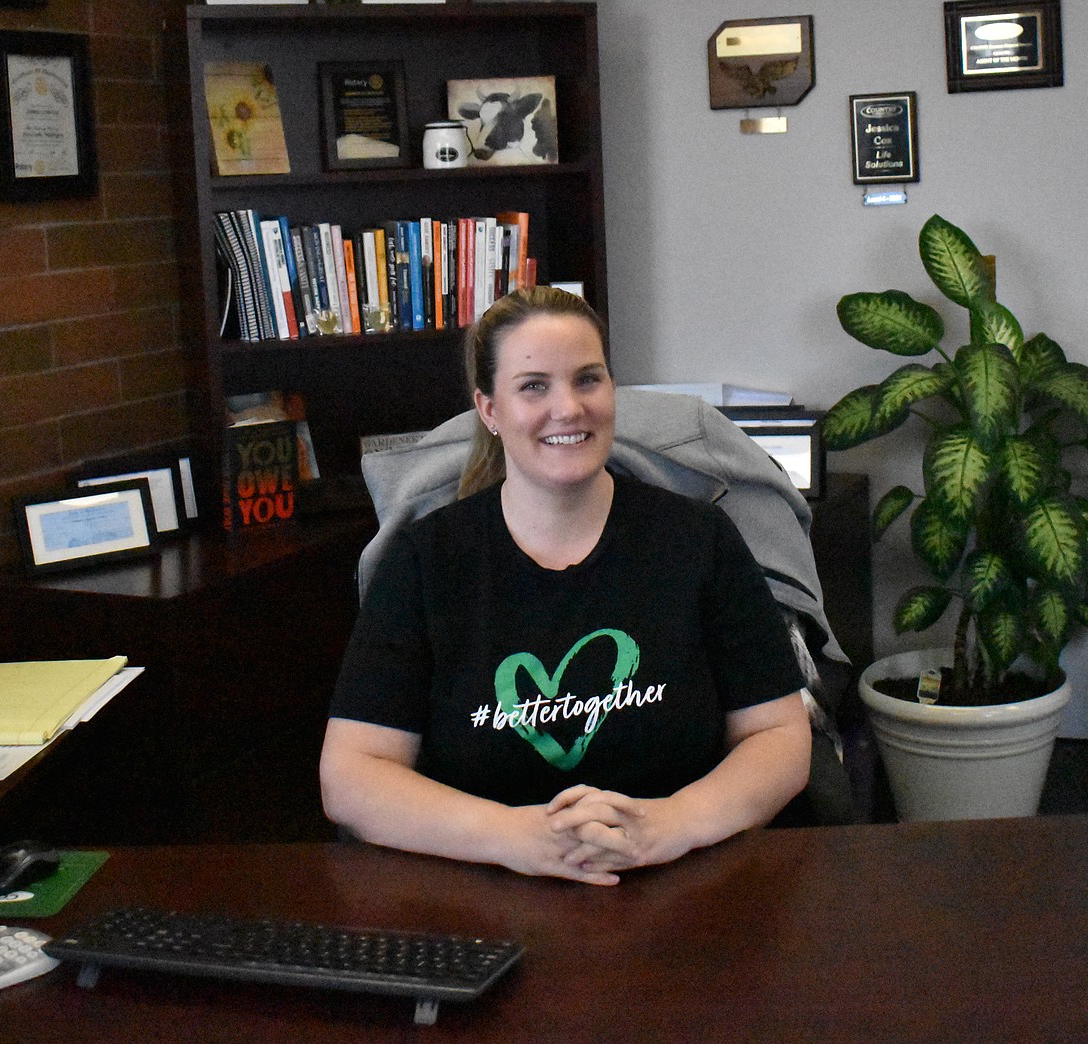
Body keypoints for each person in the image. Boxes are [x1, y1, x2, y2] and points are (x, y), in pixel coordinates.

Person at [320, 287, 811, 886]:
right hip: (484, 896)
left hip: (682, 885)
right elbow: (351, 776)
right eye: (533, 386)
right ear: (489, 410)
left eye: (588, 379)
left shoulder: (698, 539)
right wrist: (517, 838)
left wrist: (671, 824)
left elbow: (780, 738)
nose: (568, 408)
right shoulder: (427, 560)